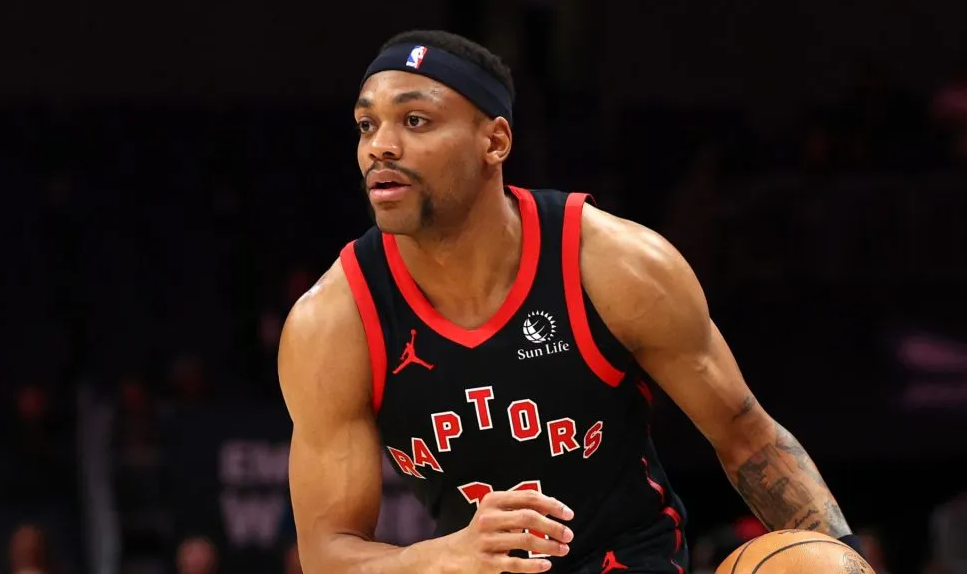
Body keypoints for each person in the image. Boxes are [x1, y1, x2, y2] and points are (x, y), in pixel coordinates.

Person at [278, 30, 864, 574]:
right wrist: (447, 555)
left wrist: (842, 558)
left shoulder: (614, 264)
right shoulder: (333, 322)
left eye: (415, 120)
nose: (381, 146)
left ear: (495, 141)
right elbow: (328, 555)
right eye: (365, 125)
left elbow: (748, 437)